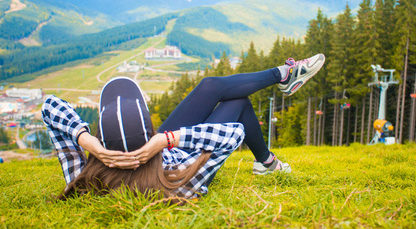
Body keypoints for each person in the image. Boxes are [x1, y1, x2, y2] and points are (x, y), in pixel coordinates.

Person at [42, 54, 325, 200]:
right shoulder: (182, 179)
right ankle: (267, 161)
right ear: (148, 132)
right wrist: (164, 141)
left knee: (210, 86)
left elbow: (50, 107)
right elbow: (234, 133)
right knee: (238, 102)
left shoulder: (84, 175)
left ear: (104, 142)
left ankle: (282, 77)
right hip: (172, 152)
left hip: (152, 152)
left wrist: (86, 142)